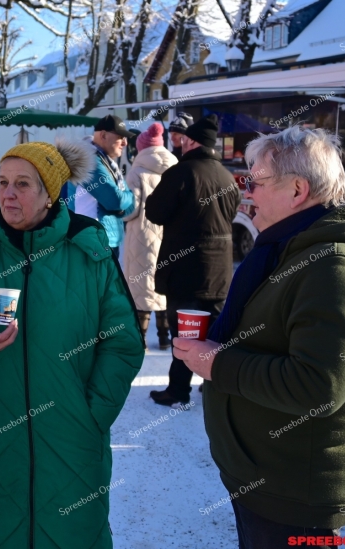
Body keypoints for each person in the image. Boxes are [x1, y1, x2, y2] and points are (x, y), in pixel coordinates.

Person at [174, 126, 345, 549]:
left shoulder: (336, 268)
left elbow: (317, 386)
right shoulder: (293, 248)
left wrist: (216, 362)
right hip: (272, 480)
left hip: (297, 491)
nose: (247, 195)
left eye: (256, 182)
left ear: (298, 189)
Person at [0, 138, 144, 549]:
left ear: (49, 194)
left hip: (72, 444)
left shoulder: (88, 252)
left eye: (23, 184)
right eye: (2, 182)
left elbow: (123, 343)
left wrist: (91, 415)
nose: (7, 193)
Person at [145, 114, 240, 406]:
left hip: (185, 267)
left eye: (185, 140)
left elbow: (155, 212)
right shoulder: (226, 176)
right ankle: (214, 384)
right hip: (219, 268)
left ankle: (178, 390)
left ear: (192, 142)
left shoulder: (182, 172)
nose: (182, 144)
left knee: (185, 333)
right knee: (215, 330)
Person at [123, 123, 177, 350]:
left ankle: (140, 338)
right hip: (169, 236)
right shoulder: (176, 170)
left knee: (141, 290)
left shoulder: (137, 173)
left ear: (141, 149)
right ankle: (165, 337)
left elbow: (130, 210)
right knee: (162, 287)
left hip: (142, 238)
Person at [66, 114, 136, 259]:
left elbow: (129, 206)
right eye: (120, 137)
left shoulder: (105, 161)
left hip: (103, 239)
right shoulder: (89, 161)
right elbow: (116, 200)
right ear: (103, 135)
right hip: (92, 241)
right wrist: (123, 201)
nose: (125, 143)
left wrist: (123, 203)